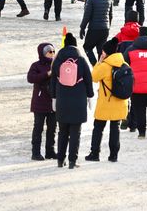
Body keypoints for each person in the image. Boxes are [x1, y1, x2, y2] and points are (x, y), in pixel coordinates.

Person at [50, 33, 94, 169]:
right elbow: (88, 79)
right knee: (75, 132)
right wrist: (90, 96)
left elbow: (52, 81)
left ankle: (60, 160)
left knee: (62, 131)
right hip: (78, 100)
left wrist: (53, 97)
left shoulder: (57, 61)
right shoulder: (81, 60)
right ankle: (72, 161)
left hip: (62, 99)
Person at [87, 38, 129, 162]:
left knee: (98, 127)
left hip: (106, 103)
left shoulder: (104, 66)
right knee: (115, 127)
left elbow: (93, 78)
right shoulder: (124, 64)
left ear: (106, 52)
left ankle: (95, 154)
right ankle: (113, 155)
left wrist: (99, 62)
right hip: (120, 102)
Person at [27, 43, 56, 160]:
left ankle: (50, 151)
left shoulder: (56, 64)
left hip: (53, 101)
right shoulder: (36, 65)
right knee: (38, 128)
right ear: (43, 53)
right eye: (49, 52)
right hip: (39, 101)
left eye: (53, 51)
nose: (52, 54)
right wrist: (47, 74)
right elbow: (31, 78)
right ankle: (36, 152)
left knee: (52, 128)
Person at [80, 0, 113, 65]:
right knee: (100, 51)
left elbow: (87, 15)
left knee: (87, 47)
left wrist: (82, 27)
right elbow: (110, 16)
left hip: (94, 28)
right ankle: (100, 70)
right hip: (105, 29)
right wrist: (108, 26)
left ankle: (95, 66)